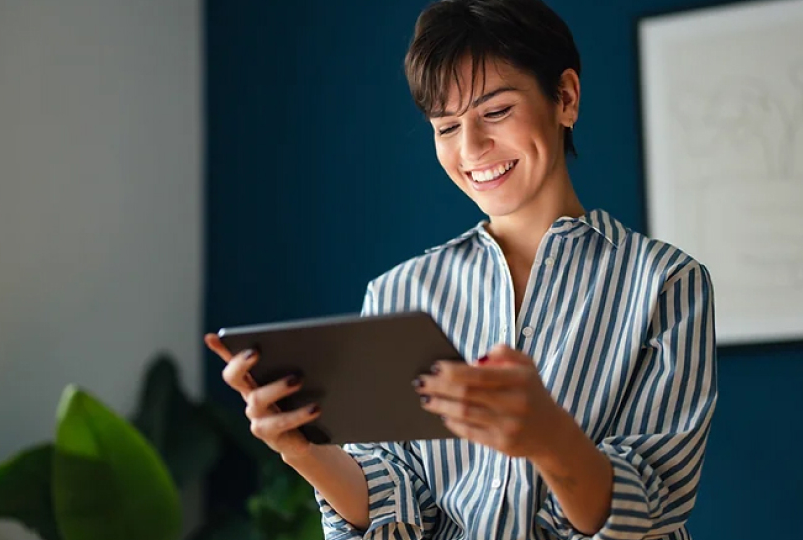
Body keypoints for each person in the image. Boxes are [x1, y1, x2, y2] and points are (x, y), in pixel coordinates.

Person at [203, 0, 718, 538]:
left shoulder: (666, 284)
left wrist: (549, 437)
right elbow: (397, 502)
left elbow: (651, 508)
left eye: (495, 112)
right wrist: (302, 451)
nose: (471, 148)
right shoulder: (398, 292)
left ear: (565, 98)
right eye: (446, 127)